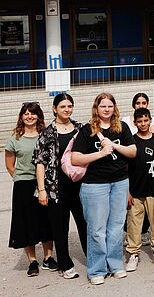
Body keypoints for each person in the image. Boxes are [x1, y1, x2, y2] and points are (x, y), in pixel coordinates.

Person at [70, 93, 136, 285]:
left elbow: (132, 151)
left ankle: (115, 265)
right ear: (96, 108)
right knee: (97, 229)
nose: (106, 109)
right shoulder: (87, 130)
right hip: (94, 184)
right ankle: (97, 269)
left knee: (115, 227)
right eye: (102, 106)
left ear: (114, 108)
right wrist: (100, 153)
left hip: (119, 182)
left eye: (109, 106)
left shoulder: (121, 128)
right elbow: (76, 158)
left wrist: (115, 147)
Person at [33, 93, 87, 280]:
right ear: (55, 109)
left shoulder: (80, 129)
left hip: (79, 186)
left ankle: (93, 258)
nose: (67, 109)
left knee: (85, 223)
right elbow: (39, 163)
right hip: (56, 188)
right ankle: (65, 264)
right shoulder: (47, 133)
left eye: (69, 106)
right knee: (60, 227)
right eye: (63, 106)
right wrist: (41, 190)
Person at [6, 102, 54, 277]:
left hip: (45, 184)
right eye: (25, 113)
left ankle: (48, 257)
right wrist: (21, 179)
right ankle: (32, 261)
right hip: (23, 185)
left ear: (38, 116)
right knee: (27, 223)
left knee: (46, 220)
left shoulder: (46, 134)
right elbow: (10, 165)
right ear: (21, 116)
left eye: (33, 113)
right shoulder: (14, 139)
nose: (29, 116)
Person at [125, 108, 154, 272]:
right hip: (136, 190)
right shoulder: (131, 141)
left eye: (145, 120)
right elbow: (126, 168)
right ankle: (133, 253)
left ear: (150, 121)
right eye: (139, 121)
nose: (143, 124)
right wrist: (127, 191)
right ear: (135, 123)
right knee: (134, 223)